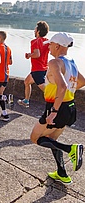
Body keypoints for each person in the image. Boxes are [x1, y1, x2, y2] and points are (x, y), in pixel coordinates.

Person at [30, 32, 85, 185]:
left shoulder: (54, 63)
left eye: (50, 46)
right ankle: (62, 173)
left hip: (56, 108)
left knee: (35, 138)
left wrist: (54, 111)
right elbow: (81, 82)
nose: (49, 49)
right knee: (52, 140)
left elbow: (62, 85)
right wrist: (66, 95)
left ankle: (71, 149)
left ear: (57, 46)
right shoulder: (71, 62)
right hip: (70, 107)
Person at [18, 21, 50, 108]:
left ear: (38, 31)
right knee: (27, 82)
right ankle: (26, 101)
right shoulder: (47, 41)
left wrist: (29, 55)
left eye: (35, 28)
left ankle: (59, 103)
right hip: (44, 69)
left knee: (48, 91)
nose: (34, 30)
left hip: (37, 70)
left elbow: (37, 54)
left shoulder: (35, 41)